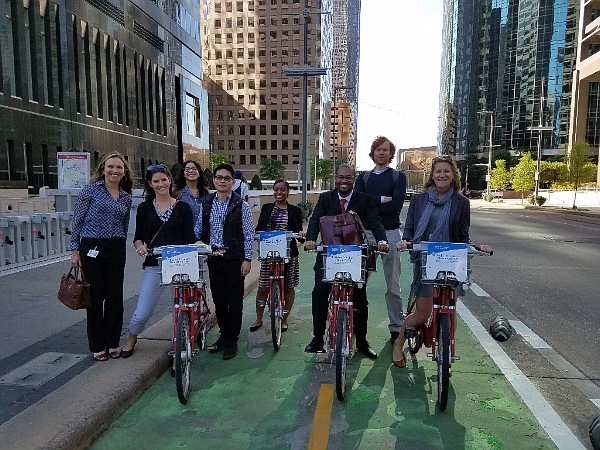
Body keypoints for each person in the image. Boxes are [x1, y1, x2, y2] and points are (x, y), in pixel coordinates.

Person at [392, 156, 492, 368]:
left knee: (449, 309)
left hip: (451, 261)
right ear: (432, 175)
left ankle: (446, 353)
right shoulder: (419, 200)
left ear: (453, 175)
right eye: (438, 171)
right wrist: (406, 241)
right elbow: (410, 228)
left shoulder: (461, 202)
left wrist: (476, 247)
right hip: (426, 259)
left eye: (446, 171)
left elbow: (463, 234)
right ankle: (398, 343)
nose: (442, 175)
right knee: (422, 315)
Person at [304, 164, 389, 359]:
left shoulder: (364, 199)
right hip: (329, 254)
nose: (344, 181)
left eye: (348, 177)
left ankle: (362, 342)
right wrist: (310, 239)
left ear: (354, 179)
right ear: (335, 178)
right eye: (341, 177)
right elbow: (316, 219)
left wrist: (382, 241)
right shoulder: (326, 198)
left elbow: (375, 221)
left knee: (360, 298)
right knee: (320, 292)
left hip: (354, 255)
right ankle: (318, 339)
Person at [120, 165, 197, 358]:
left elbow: (190, 237)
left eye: (164, 180)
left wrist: (204, 246)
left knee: (180, 309)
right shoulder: (144, 208)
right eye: (156, 181)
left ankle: (180, 343)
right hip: (155, 264)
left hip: (180, 264)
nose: (161, 184)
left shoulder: (183, 207)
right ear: (150, 184)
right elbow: (138, 237)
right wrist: (139, 246)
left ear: (170, 181)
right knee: (142, 312)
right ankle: (132, 336)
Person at [70, 152, 133, 362]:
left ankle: (113, 342)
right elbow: (77, 220)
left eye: (119, 167)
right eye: (111, 166)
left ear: (124, 172)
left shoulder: (125, 196)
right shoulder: (90, 190)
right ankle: (98, 345)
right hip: (92, 246)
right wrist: (74, 250)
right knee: (95, 297)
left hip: (116, 247)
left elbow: (124, 224)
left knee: (115, 296)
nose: (115, 170)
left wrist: (121, 243)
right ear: (103, 169)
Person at [195, 163, 254, 360]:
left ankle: (232, 340)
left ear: (233, 182)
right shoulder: (205, 204)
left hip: (235, 258)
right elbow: (198, 230)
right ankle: (224, 335)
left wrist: (247, 259)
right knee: (219, 300)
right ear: (214, 180)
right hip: (214, 259)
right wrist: (198, 243)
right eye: (219, 177)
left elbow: (248, 234)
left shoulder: (241, 205)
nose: (222, 181)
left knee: (234, 301)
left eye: (226, 178)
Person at [354, 136, 407, 344]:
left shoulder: (398, 177)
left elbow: (396, 206)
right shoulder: (363, 177)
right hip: (366, 233)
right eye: (378, 149)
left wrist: (371, 205)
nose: (381, 153)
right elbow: (358, 204)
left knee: (393, 284)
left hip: (391, 233)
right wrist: (382, 199)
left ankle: (396, 327)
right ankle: (355, 326)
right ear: (373, 152)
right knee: (359, 282)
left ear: (391, 153)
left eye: (385, 150)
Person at [249, 179, 304, 333]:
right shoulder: (267, 208)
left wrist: (302, 235)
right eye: (276, 190)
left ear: (288, 192)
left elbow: (298, 232)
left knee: (289, 287)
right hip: (269, 253)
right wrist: (256, 234)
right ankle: (259, 318)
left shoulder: (295, 211)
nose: (279, 192)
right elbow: (260, 228)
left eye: (282, 190)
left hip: (289, 254)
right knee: (263, 287)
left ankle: (284, 319)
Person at [173, 160, 209, 225]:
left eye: (194, 169)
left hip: (202, 230)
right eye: (187, 169)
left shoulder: (205, 192)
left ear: (199, 173)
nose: (191, 171)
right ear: (183, 174)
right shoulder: (177, 193)